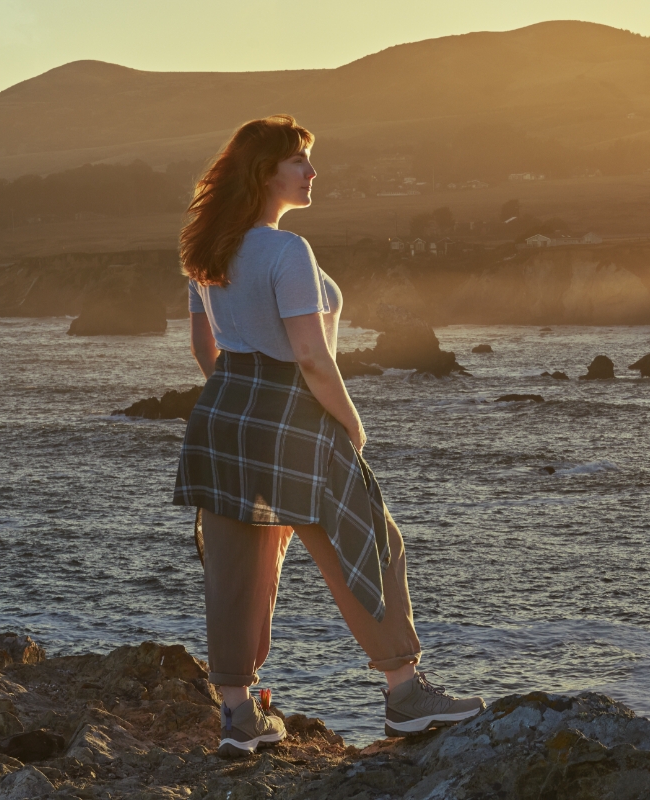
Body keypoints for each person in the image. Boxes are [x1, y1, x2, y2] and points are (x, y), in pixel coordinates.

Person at [172, 115, 484, 759]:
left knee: (237, 563)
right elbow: (313, 356)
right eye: (300, 162)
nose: (312, 173)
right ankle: (404, 693)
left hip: (226, 410)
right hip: (296, 411)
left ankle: (237, 714)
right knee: (368, 539)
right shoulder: (287, 251)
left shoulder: (211, 247)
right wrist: (349, 420)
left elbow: (204, 343)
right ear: (267, 172)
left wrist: (240, 396)